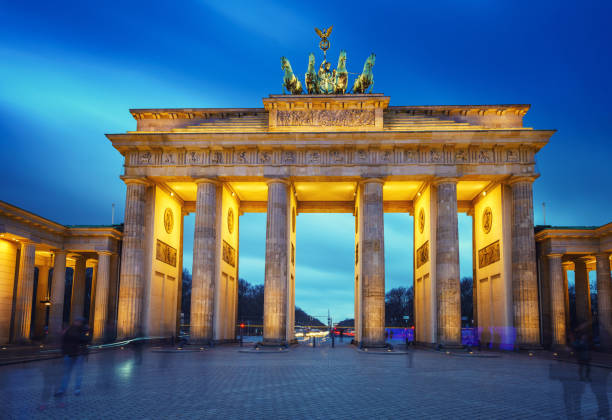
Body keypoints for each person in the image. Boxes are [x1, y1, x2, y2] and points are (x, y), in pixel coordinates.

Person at [54, 317, 90, 397]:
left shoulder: (83, 330)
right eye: (76, 321)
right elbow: (64, 341)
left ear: (82, 322)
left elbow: (86, 340)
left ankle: (77, 389)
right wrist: (63, 351)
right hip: (70, 353)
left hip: (79, 354)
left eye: (79, 321)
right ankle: (62, 390)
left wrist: (86, 331)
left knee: (78, 373)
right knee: (66, 373)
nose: (77, 322)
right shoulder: (69, 330)